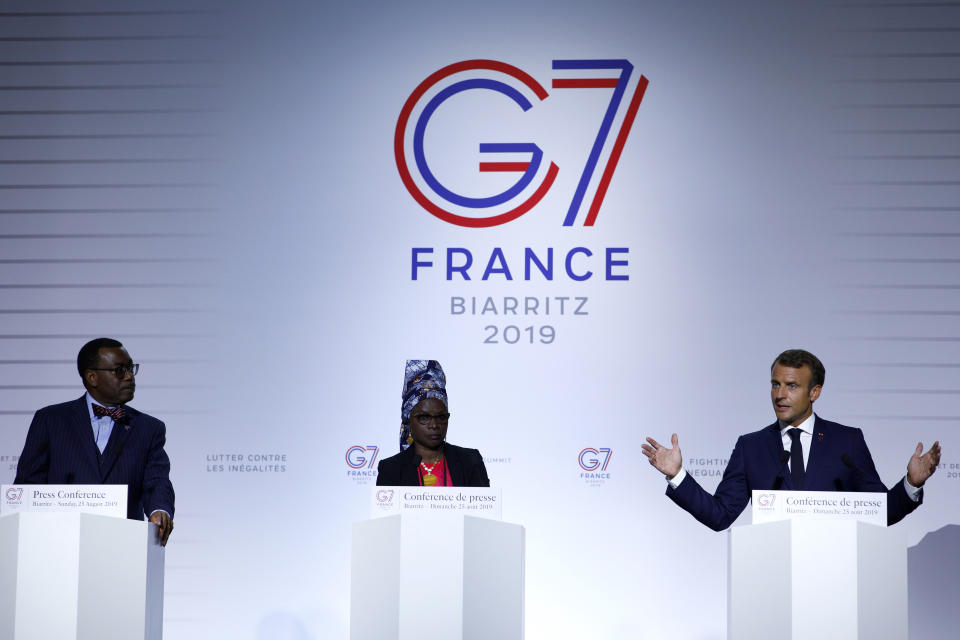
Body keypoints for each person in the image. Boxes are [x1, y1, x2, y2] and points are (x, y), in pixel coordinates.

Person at [641, 349, 941, 530]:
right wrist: (677, 475)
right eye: (776, 384)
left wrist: (911, 484)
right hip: (774, 581)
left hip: (838, 578)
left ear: (815, 392)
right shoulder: (751, 447)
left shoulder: (846, 442)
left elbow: (879, 512)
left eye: (792, 386)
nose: (780, 394)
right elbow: (720, 516)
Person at [14, 338, 175, 545]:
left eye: (131, 369)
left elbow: (157, 481)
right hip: (57, 544)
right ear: (92, 377)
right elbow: (28, 486)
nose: (129, 377)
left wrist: (159, 510)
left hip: (123, 545)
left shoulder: (149, 428)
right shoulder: (50, 420)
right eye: (119, 370)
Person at [376, 360, 489, 487]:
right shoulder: (391, 468)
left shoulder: (470, 460)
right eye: (424, 418)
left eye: (441, 417)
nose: (434, 425)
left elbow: (484, 506)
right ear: (409, 420)